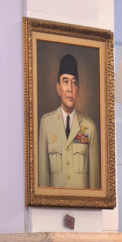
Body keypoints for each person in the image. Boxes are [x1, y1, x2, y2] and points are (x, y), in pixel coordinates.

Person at [37, 53, 100, 189]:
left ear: (78, 89)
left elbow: (94, 185)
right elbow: (42, 178)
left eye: (74, 83)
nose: (70, 89)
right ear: (58, 88)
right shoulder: (46, 124)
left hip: (84, 208)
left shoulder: (90, 127)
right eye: (65, 82)